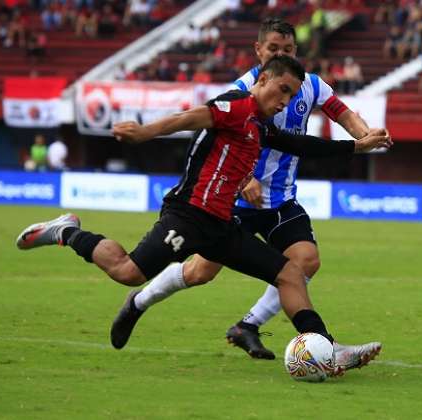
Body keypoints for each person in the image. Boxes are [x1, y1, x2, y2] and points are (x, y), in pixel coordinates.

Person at [16, 56, 389, 374]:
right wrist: (145, 133)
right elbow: (191, 117)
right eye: (283, 90)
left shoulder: (260, 125)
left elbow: (299, 144)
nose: (286, 100)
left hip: (220, 225)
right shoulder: (237, 105)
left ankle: (324, 347)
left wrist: (356, 146)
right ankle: (66, 232)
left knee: (290, 273)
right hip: (187, 215)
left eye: (292, 94)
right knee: (127, 272)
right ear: (262, 80)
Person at [127, 18, 374, 362]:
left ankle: (252, 326)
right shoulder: (242, 91)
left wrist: (365, 136)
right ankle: (140, 300)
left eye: (287, 50)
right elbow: (210, 138)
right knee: (201, 272)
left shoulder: (311, 85)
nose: (280, 54)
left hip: (281, 199)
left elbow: (343, 113)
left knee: (305, 261)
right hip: (238, 201)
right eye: (273, 49)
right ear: (259, 50)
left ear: (295, 51)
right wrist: (245, 181)